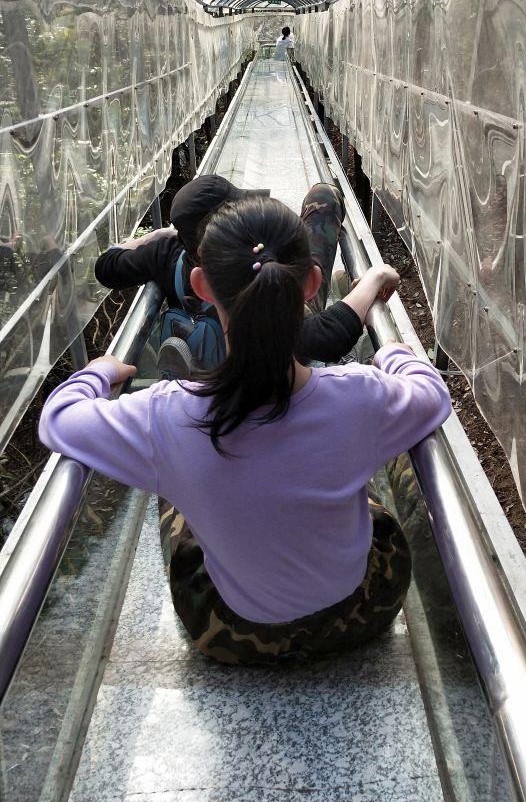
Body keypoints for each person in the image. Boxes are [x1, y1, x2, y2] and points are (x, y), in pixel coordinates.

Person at [40, 195, 451, 666]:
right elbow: (432, 394)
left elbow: (58, 419)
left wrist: (99, 371)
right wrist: (391, 353)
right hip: (364, 612)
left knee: (172, 488)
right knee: (360, 468)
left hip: (232, 635)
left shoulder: (165, 414)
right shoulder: (361, 395)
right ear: (312, 283)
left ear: (201, 285)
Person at [95, 174, 373, 372]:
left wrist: (155, 236)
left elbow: (106, 267)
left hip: (216, 342)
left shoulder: (167, 252)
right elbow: (326, 338)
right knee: (323, 195)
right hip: (280, 346)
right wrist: (371, 283)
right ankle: (338, 285)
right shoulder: (260, 268)